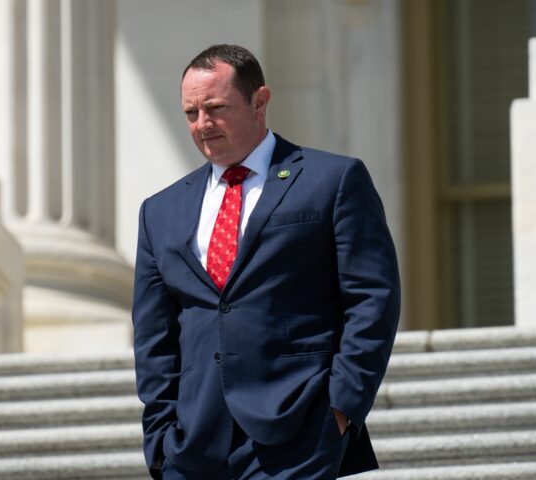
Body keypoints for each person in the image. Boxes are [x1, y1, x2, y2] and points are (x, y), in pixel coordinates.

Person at [132, 44, 400, 480]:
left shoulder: (332, 180)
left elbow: (373, 298)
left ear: (260, 102)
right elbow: (153, 336)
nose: (202, 125)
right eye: (190, 113)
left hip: (299, 429)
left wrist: (342, 407)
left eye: (216, 108)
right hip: (193, 444)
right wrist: (160, 437)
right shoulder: (159, 210)